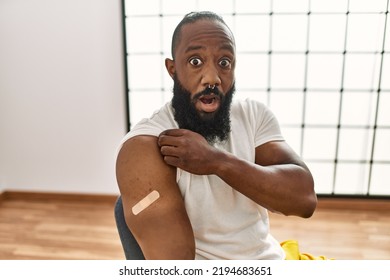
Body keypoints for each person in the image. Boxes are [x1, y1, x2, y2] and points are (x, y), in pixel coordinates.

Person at [116, 11, 317, 260]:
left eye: (224, 63)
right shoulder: (144, 146)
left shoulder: (253, 115)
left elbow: (305, 200)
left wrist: (217, 162)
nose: (212, 78)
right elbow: (174, 266)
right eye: (195, 62)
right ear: (172, 69)